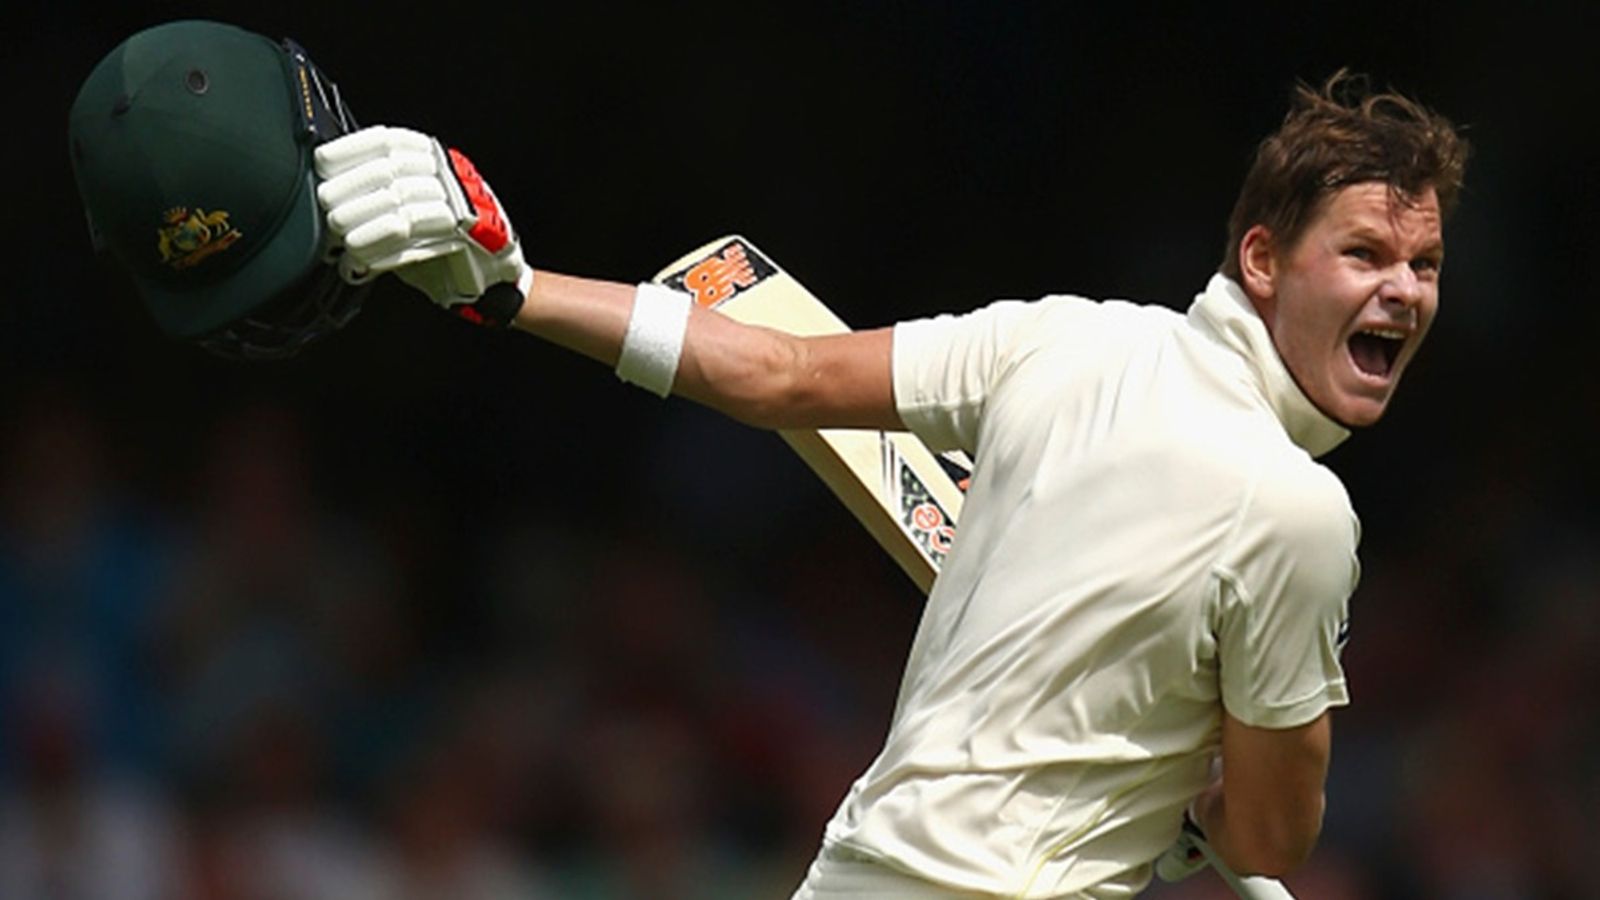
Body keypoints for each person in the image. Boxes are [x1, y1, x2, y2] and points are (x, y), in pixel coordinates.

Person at [71, 26, 1467, 895]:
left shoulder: (1070, 344)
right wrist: (1197, 812)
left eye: (1423, 263)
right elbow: (1273, 843)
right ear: (1264, 259)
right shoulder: (1299, 516)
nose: (1401, 290)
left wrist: (509, 287)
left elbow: (785, 370)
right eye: (1366, 253)